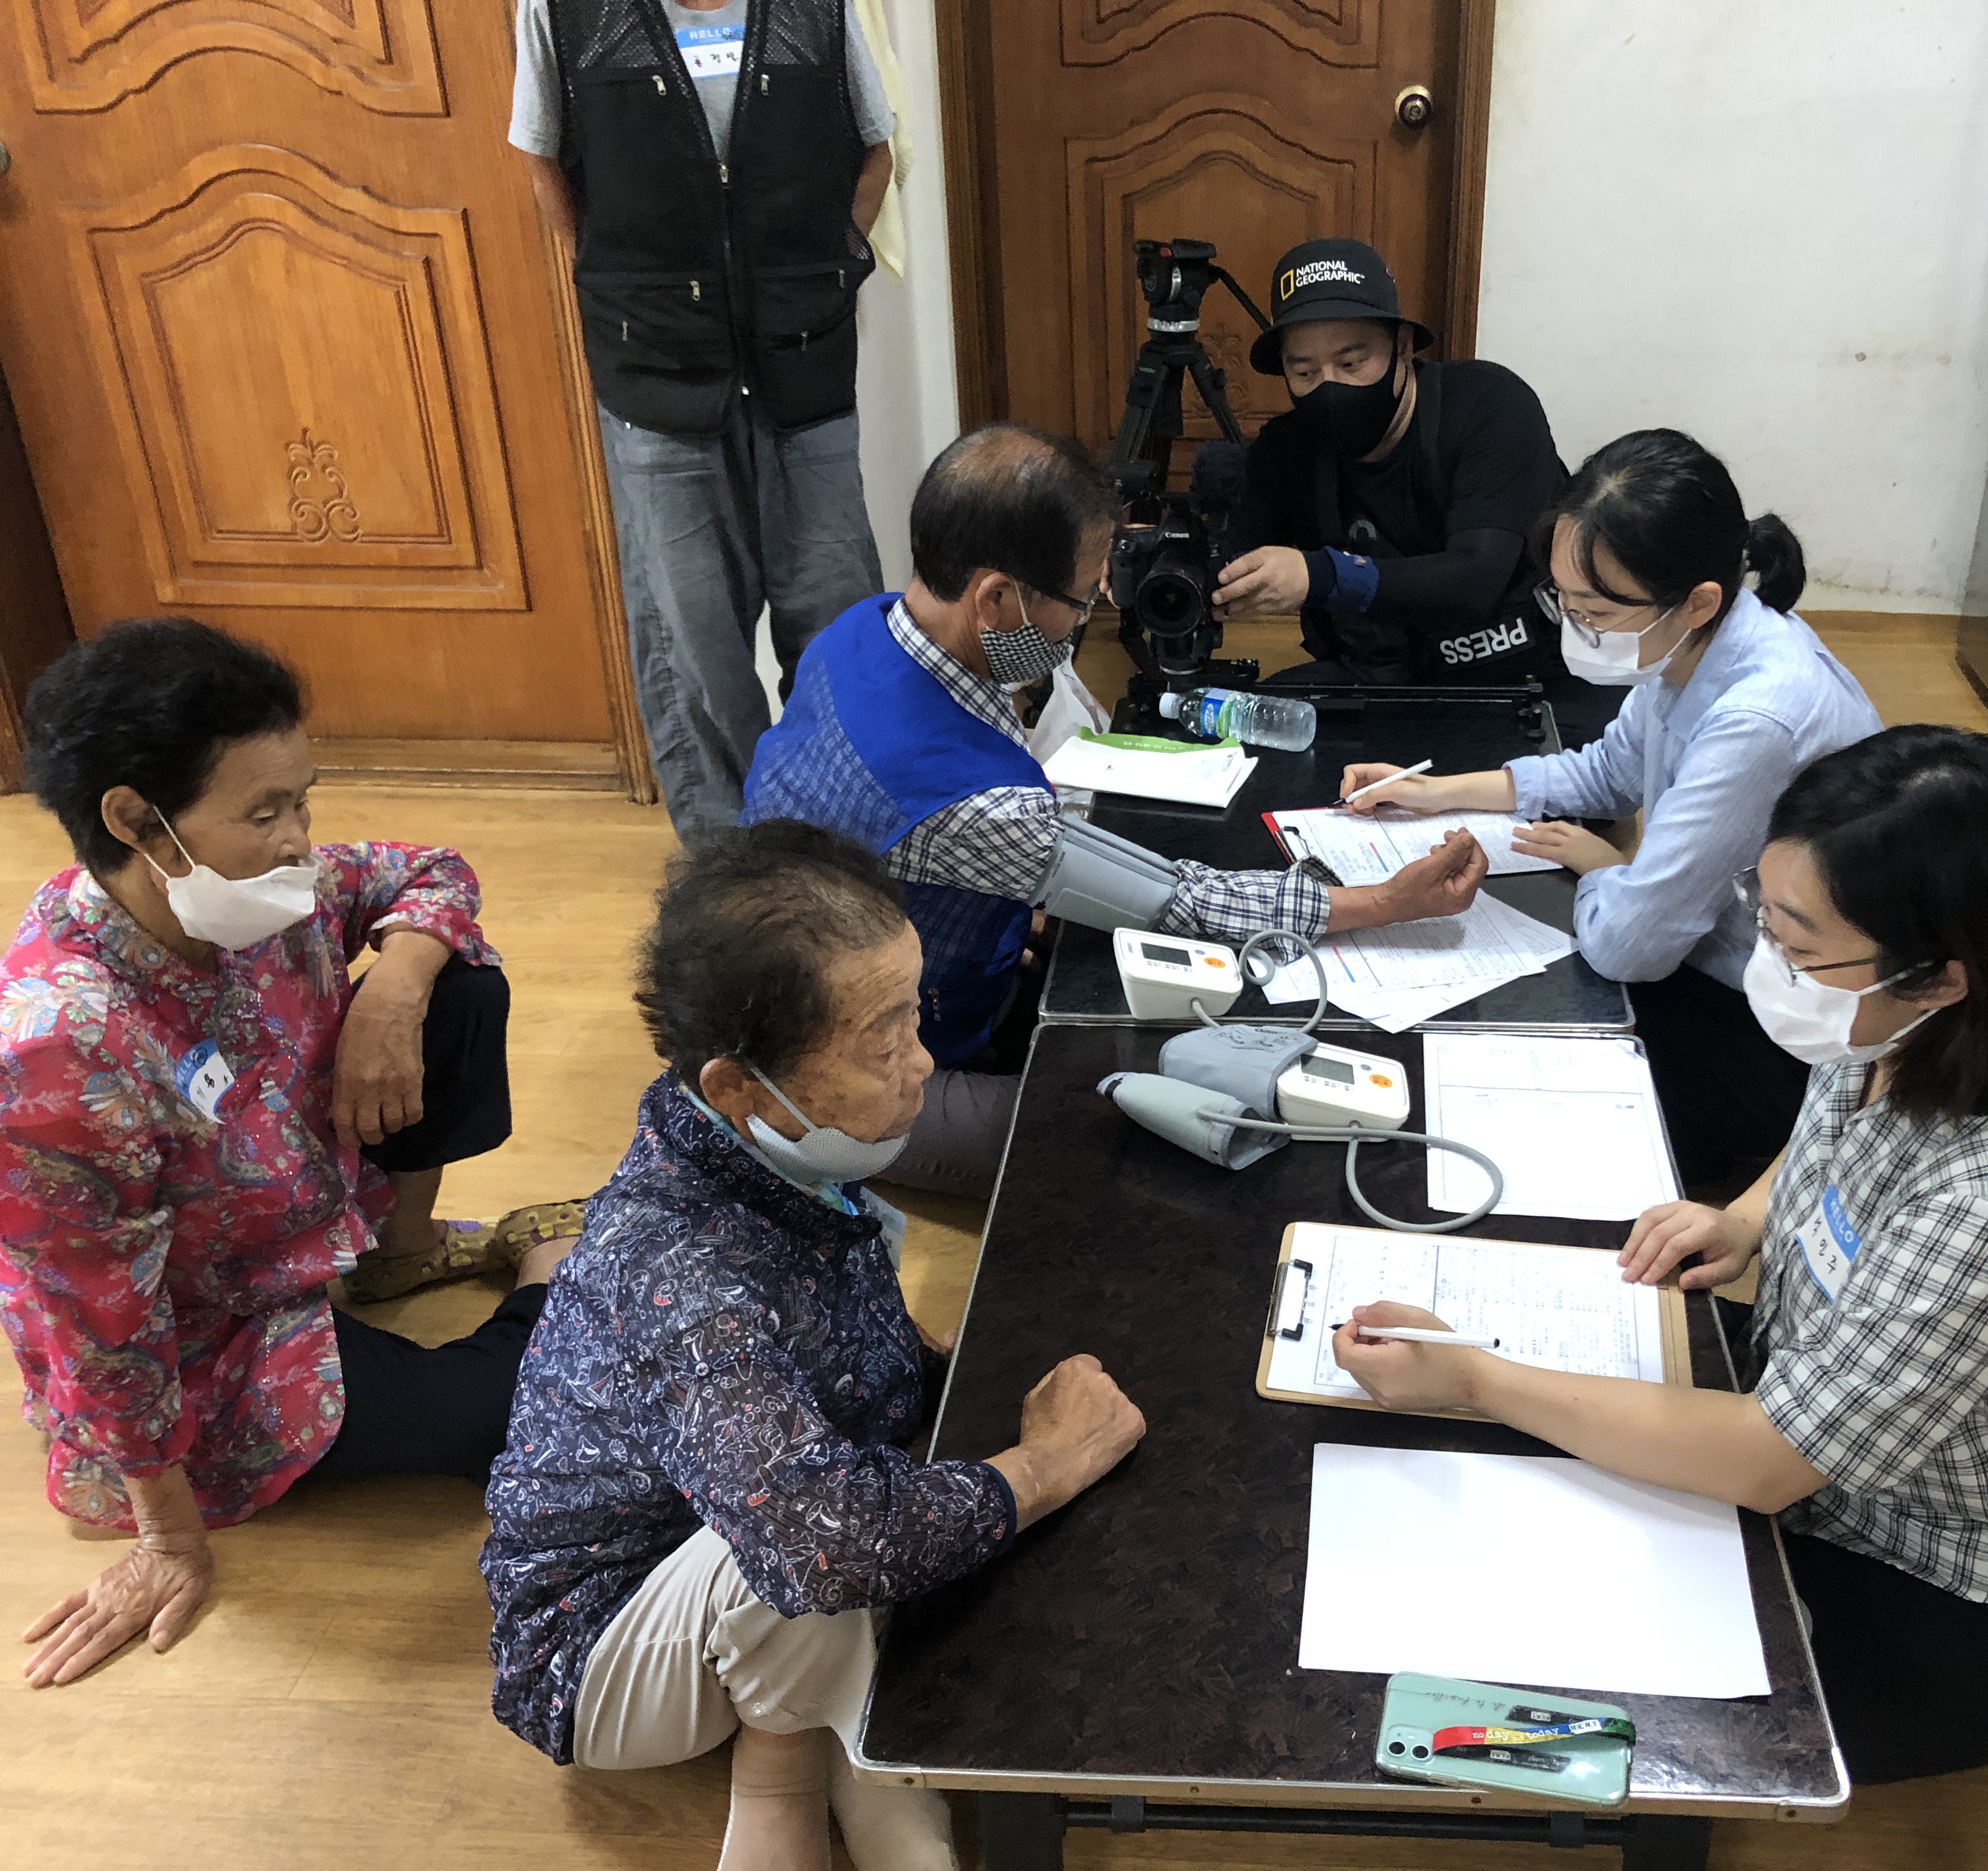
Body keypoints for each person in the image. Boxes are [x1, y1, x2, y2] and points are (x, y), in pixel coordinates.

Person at [1333, 726, 1988, 1786]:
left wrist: (1475, 1379)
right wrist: (1748, 1217)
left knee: (1599, 1724)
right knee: (1551, 1463)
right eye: (1771, 918)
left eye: (1801, 946)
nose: (1774, 963)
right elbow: (1832, 1124)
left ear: (1940, 976)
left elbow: (1766, 1458)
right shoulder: (1910, 1021)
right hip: (1838, 1442)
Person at [482, 820, 1146, 1871]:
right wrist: (1042, 1465)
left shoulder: (766, 1153)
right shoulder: (677, 1266)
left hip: (744, 1543)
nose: (922, 1063)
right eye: (882, 1041)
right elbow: (818, 1543)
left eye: (912, 1015)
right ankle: (780, 1767)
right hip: (602, 1648)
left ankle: (839, 1741)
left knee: (865, 1503)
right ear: (739, 1086)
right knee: (809, 1539)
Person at [1, 619, 580, 1688]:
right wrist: (166, 1534)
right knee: (502, 1413)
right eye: (265, 811)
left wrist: (394, 989)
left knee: (458, 983)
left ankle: (399, 1255)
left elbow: (432, 870)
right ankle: (552, 1278)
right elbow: (94, 1317)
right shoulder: (59, 1044)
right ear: (134, 820)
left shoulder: (248, 892)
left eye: (302, 801)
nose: (297, 839)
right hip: (215, 1333)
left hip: (304, 1214)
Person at [742, 423, 1491, 1197]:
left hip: (816, 976)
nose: (1089, 615)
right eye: (1080, 597)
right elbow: (1177, 900)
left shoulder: (862, 628)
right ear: (996, 598)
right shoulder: (961, 800)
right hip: (834, 1084)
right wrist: (1385, 902)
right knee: (1149, 1133)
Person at [1338, 430, 1881, 1192]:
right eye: (1563, 601)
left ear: (1697, 601)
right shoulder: (1698, 642)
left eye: (1593, 610)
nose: (1575, 626)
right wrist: (1437, 790)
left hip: (1783, 1024)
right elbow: (1607, 771)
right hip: (1718, 954)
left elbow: (1632, 946)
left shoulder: (1757, 718)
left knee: (1524, 1086)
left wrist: (1607, 868)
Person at [509, 0, 898, 837]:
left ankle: (840, 844)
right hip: (656, 373)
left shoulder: (812, 7)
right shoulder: (569, 12)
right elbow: (545, 163)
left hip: (802, 360)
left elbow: (875, 150)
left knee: (836, 613)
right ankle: (730, 865)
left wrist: (823, 271)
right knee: (694, 638)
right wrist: (628, 293)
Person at [1211, 239, 1607, 734]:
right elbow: (1232, 564)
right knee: (1237, 743)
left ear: (1401, 346)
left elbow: (1477, 577)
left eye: (1352, 364)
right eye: (1305, 371)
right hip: (1379, 680)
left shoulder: (1490, 405)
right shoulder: (1287, 447)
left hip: (1526, 680)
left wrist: (1323, 577)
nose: (1330, 388)